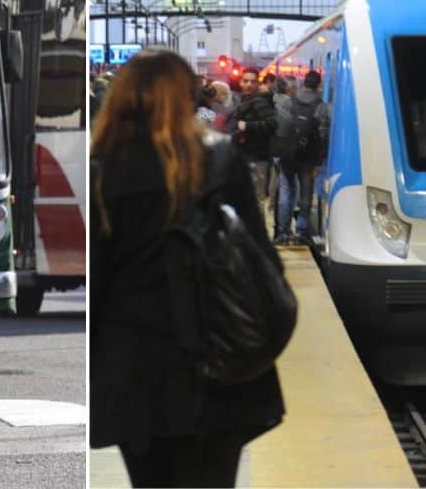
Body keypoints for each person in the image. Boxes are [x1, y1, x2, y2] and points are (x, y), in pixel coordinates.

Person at [91, 49, 284, 488]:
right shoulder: (216, 159)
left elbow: (96, 283)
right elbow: (261, 263)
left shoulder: (102, 168)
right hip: (216, 360)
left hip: (134, 371)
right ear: (186, 97)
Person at [228, 69, 278, 222]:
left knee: (256, 200)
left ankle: (258, 239)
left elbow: (272, 124)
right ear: (241, 82)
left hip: (257, 158)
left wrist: (248, 126)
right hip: (244, 156)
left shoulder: (260, 102)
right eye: (246, 81)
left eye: (252, 81)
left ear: (257, 84)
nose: (249, 84)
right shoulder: (245, 101)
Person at [293, 70, 331, 240]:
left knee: (286, 189)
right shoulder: (321, 106)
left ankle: (282, 227)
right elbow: (323, 135)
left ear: (303, 83)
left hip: (290, 152)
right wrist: (319, 160)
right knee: (307, 192)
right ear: (319, 85)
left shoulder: (291, 100)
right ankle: (302, 228)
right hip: (309, 156)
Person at [271, 75, 300, 243]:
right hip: (285, 150)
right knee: (289, 189)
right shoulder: (289, 103)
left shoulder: (270, 100)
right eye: (293, 89)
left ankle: (278, 229)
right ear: (288, 89)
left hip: (272, 150)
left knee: (279, 187)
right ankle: (283, 230)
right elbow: (290, 126)